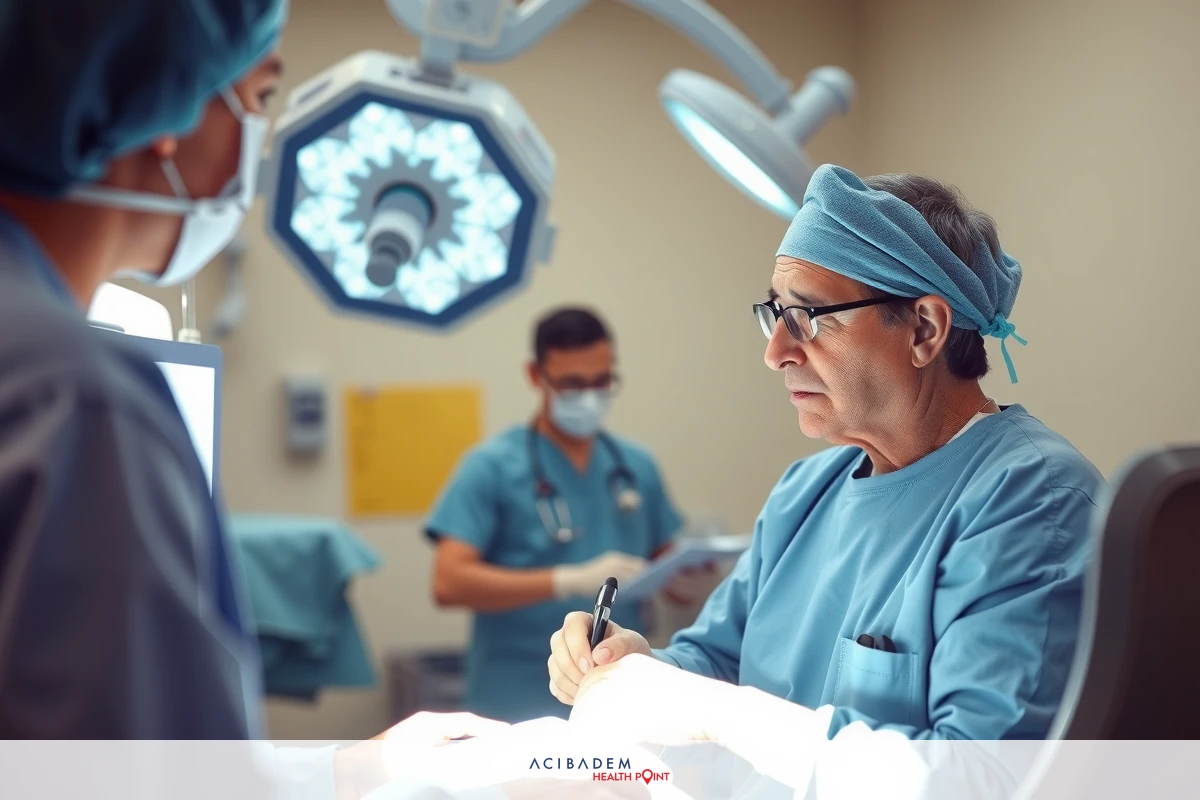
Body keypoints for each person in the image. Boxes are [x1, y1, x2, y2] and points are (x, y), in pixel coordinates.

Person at [0, 0, 512, 761]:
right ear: (166, 103)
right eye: (261, 97)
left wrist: (347, 769)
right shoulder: (77, 395)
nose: (259, 142)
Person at [547, 164, 1106, 742]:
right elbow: (716, 661)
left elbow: (976, 776)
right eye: (773, 314)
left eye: (807, 317)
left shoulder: (1034, 504)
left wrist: (719, 716)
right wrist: (633, 664)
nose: (776, 352)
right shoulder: (803, 494)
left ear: (924, 330)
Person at [427, 307, 703, 723]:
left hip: (620, 691)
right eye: (573, 384)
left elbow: (673, 579)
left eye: (601, 381)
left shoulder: (636, 466)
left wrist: (694, 572)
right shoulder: (490, 467)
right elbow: (448, 582)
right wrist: (566, 581)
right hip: (514, 698)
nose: (590, 397)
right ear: (537, 377)